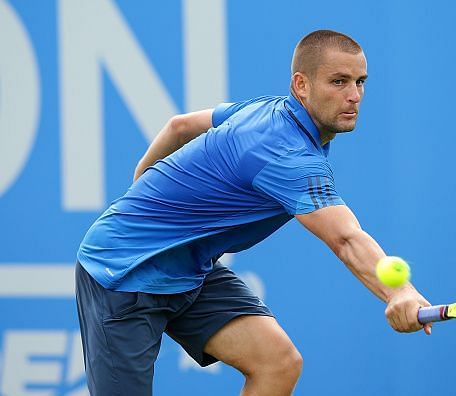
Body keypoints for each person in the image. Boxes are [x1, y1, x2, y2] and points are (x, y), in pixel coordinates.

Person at [75, 29, 431, 396]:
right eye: (339, 82)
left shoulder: (269, 108)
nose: (354, 95)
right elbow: (345, 238)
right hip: (121, 271)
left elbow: (179, 126)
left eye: (360, 82)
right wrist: (398, 292)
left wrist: (141, 192)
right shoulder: (287, 154)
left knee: (278, 363)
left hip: (187, 267)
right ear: (301, 85)